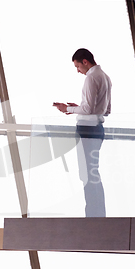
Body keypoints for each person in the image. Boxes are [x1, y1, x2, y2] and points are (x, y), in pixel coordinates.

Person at [53, 48, 112, 217]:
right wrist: (78, 108)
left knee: (86, 174)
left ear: (85, 62)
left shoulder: (91, 78)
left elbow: (88, 108)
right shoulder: (106, 77)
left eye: (78, 66)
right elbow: (105, 110)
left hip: (86, 130)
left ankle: (93, 215)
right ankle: (98, 213)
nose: (78, 71)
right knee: (92, 172)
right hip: (98, 129)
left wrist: (69, 109)